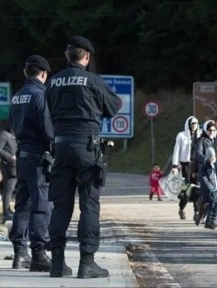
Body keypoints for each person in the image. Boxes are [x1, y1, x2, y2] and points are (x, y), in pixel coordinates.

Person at [45, 36, 121, 278]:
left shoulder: (54, 81)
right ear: (86, 57)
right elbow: (114, 106)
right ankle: (87, 263)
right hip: (87, 149)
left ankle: (57, 264)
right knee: (89, 205)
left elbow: (45, 112)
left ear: (68, 55)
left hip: (60, 148)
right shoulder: (93, 81)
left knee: (60, 206)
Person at [8, 55, 53, 271]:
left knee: (22, 205)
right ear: (43, 73)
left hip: (22, 154)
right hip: (38, 157)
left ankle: (19, 253)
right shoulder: (40, 95)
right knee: (41, 205)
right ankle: (39, 254)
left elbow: (13, 126)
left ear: (26, 72)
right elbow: (47, 129)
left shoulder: (17, 96)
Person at [169, 116, 201, 220]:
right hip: (186, 165)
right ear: (188, 124)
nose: (194, 125)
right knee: (187, 188)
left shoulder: (200, 135)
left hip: (197, 164)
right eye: (192, 123)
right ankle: (182, 208)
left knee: (197, 187)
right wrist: (175, 165)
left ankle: (196, 211)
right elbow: (177, 150)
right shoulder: (181, 136)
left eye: (196, 123)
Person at [199, 147, 217, 229]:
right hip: (209, 190)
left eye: (213, 156)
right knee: (212, 204)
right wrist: (210, 187)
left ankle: (212, 221)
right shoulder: (205, 167)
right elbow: (204, 178)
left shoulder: (215, 166)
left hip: (216, 188)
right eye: (211, 156)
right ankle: (209, 222)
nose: (212, 158)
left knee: (216, 205)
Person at [0, 126, 17, 223]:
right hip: (8, 166)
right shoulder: (4, 135)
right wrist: (9, 157)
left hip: (15, 166)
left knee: (11, 188)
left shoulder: (14, 136)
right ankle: (6, 211)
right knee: (8, 188)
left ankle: (8, 210)